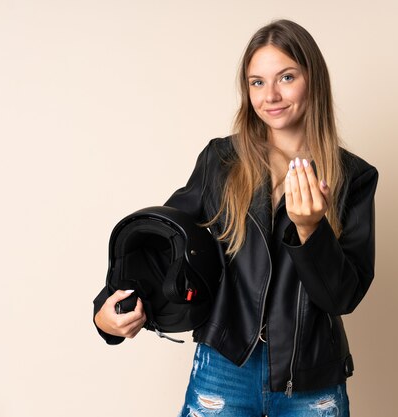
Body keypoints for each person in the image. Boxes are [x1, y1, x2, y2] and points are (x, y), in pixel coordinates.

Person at [93, 19, 378, 417]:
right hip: (224, 368)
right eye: (257, 82)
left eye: (287, 77)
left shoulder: (354, 177)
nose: (271, 95)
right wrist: (108, 309)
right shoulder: (220, 162)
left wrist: (311, 230)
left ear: (313, 79)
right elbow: (163, 243)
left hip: (312, 377)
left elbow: (341, 298)